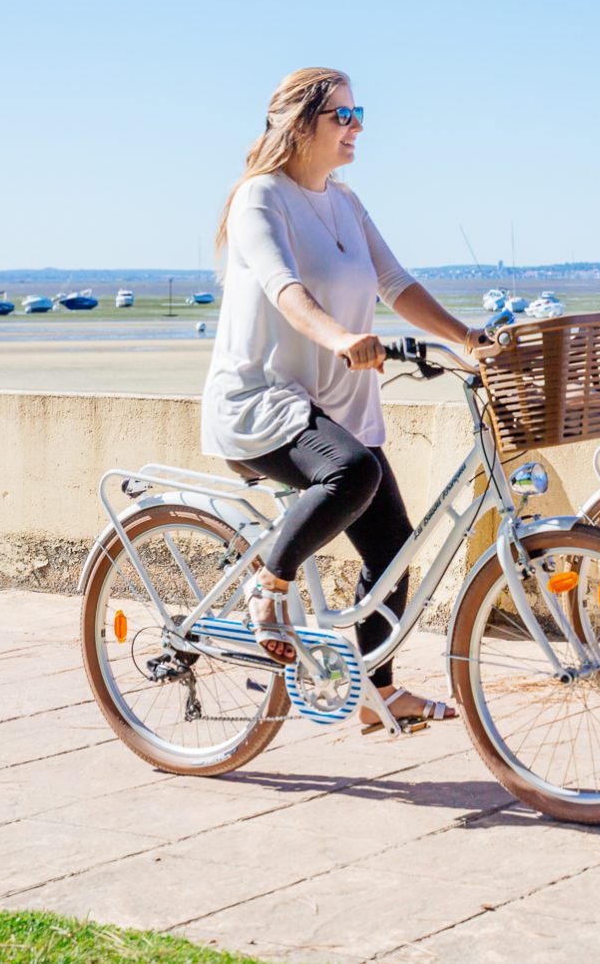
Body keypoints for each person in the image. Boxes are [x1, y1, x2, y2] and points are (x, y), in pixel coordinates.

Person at [201, 65, 486, 732]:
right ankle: (267, 587)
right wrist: (340, 337)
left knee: (392, 552)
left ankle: (374, 692)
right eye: (342, 116)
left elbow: (395, 282)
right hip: (264, 399)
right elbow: (283, 287)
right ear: (300, 127)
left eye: (360, 114)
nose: (356, 126)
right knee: (351, 471)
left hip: (339, 403)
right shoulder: (260, 199)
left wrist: (466, 337)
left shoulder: (345, 200)